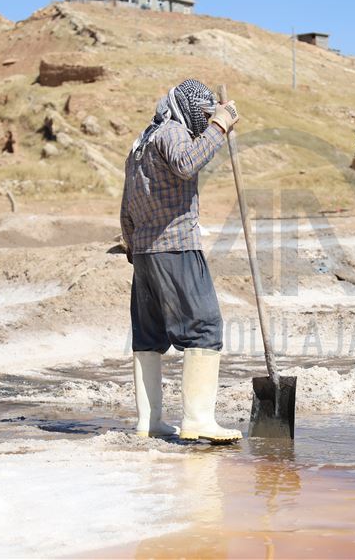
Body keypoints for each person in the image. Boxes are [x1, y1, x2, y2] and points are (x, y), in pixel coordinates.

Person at [120, 79, 242, 441]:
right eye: (201, 115)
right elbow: (187, 164)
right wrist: (220, 125)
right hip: (176, 247)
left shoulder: (141, 141)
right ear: (185, 108)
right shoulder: (172, 132)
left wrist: (132, 244)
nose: (203, 123)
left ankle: (149, 422)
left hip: (143, 251)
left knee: (149, 337)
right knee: (205, 327)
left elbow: (127, 202)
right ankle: (197, 420)